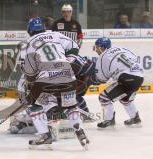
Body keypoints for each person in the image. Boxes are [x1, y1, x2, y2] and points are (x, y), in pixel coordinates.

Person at [19, 18, 89, 148]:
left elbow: (27, 71)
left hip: (45, 80)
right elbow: (74, 46)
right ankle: (81, 133)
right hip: (67, 75)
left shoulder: (27, 44)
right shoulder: (56, 34)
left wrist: (31, 86)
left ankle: (45, 135)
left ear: (29, 30)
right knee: (70, 106)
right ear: (43, 27)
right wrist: (67, 61)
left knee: (34, 105)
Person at [91, 37, 144, 128]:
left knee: (103, 98)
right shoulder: (122, 49)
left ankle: (109, 119)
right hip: (140, 76)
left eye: (97, 47)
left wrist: (92, 78)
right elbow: (135, 59)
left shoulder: (103, 56)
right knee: (125, 99)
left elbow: (102, 79)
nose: (96, 50)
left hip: (126, 78)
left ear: (103, 47)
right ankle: (135, 117)